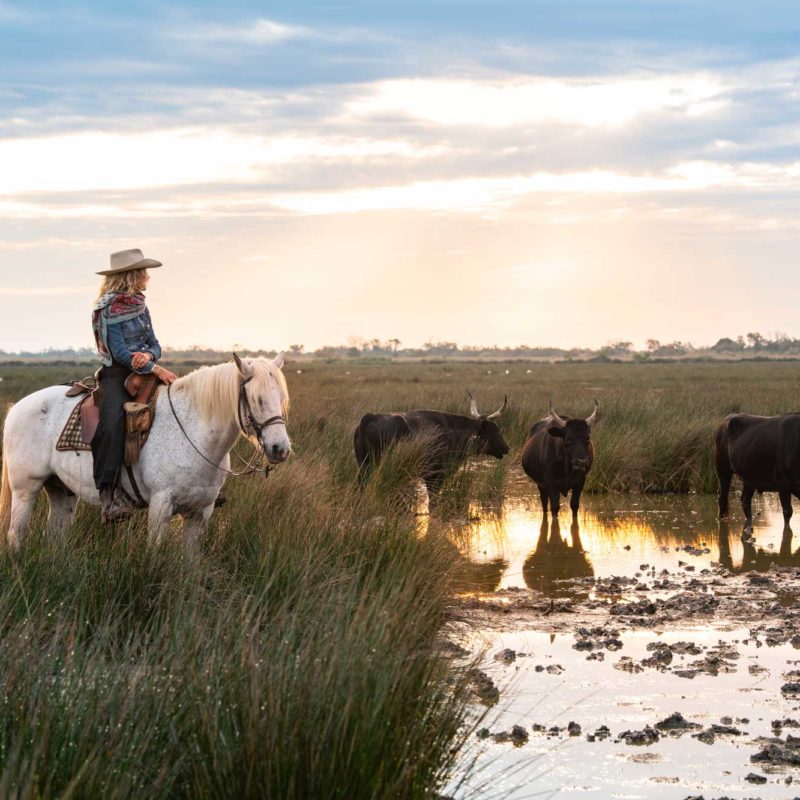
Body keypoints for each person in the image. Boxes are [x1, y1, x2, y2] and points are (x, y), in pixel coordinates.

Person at [91, 248, 177, 523]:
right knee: (113, 423)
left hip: (146, 370)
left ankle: (190, 485)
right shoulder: (107, 309)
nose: (148, 277)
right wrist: (152, 366)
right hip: (117, 374)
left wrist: (150, 357)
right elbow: (118, 353)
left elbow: (155, 343)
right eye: (144, 272)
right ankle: (108, 496)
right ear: (133, 275)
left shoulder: (140, 304)